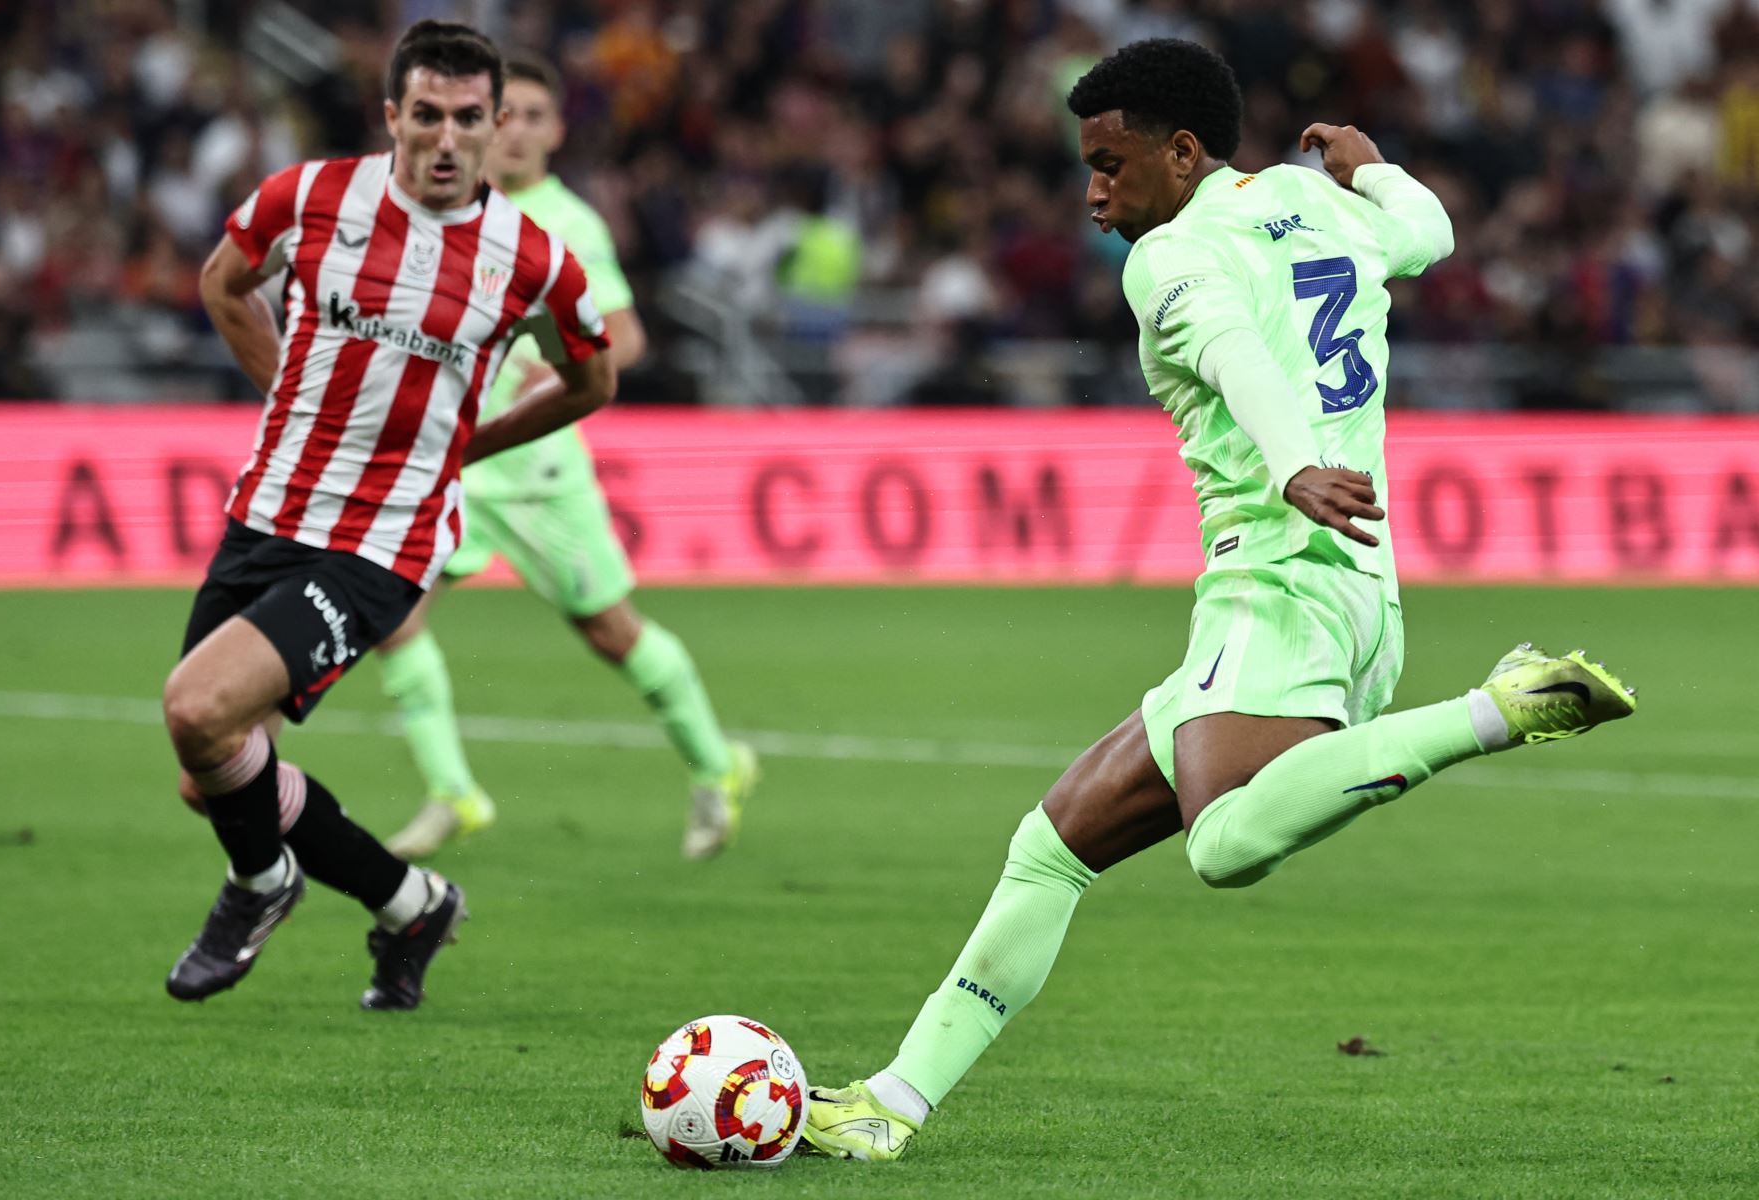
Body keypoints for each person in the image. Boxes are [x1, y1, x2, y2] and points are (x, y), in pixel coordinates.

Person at [800, 38, 1638, 1160]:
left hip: (1276, 577)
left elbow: (1237, 352)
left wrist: (1290, 464)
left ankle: (1499, 709)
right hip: (1356, 584)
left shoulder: (1168, 257)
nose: (1094, 190)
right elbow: (1429, 235)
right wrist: (1374, 165)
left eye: (1110, 162)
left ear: (1181, 152)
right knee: (1053, 845)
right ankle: (890, 1108)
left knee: (1226, 844)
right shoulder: (1320, 203)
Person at [166, 20, 616, 1011]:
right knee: (215, 775)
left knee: (200, 710)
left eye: (467, 119)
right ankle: (413, 903)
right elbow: (222, 283)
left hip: (385, 540)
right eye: (426, 117)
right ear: (392, 116)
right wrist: (291, 391)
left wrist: (467, 450)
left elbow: (592, 378)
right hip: (271, 508)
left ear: (497, 124)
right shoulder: (312, 197)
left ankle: (261, 883)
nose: (446, 140)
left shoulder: (531, 259)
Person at [374, 58, 757, 863]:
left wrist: (560, 364)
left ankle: (716, 766)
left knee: (613, 632)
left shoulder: (569, 223)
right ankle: (453, 792)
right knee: (391, 617)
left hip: (539, 469)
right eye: (502, 113)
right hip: (454, 463)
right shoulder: (445, 211)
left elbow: (629, 335)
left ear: (555, 131)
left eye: (533, 116)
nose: (514, 129)